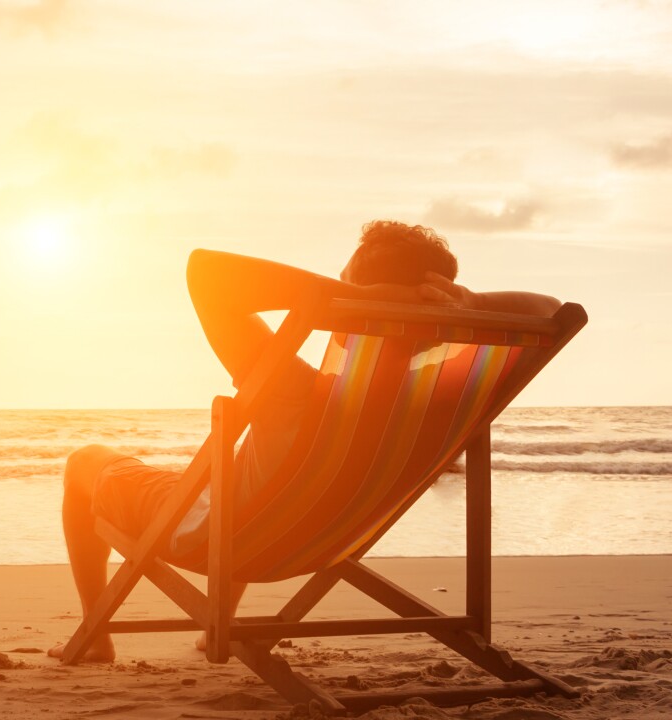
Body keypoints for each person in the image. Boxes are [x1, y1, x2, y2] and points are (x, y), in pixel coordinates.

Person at [49, 220, 563, 662]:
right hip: (329, 543)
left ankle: (97, 638)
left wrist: (357, 299)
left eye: (342, 283)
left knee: (85, 461)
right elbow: (553, 309)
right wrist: (468, 303)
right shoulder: (441, 401)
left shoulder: (292, 392)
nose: (333, 291)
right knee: (248, 473)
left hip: (226, 542)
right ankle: (215, 626)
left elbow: (206, 272)